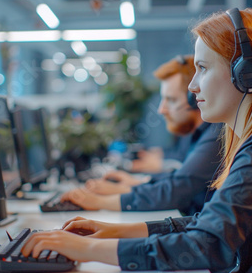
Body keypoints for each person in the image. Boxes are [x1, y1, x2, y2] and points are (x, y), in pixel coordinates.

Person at [21, 8, 252, 273]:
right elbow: (206, 224)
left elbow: (207, 244)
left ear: (247, 74)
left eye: (203, 68)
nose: (193, 87)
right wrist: (111, 232)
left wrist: (87, 249)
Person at [65, 55, 224, 215]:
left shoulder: (217, 134)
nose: (161, 110)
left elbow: (177, 190)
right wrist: (137, 183)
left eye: (171, 99)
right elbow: (179, 178)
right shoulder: (198, 134)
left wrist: (101, 201)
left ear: (194, 98)